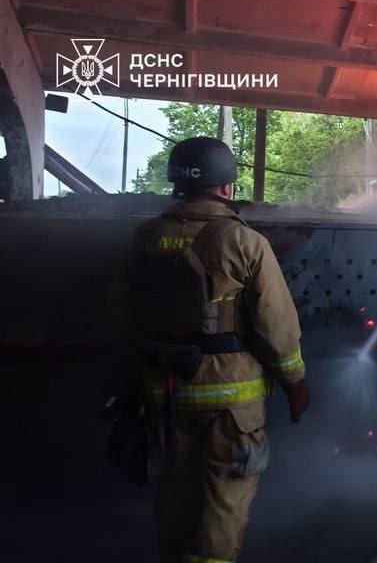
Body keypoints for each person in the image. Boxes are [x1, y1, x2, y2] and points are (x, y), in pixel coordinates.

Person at [127, 136, 309, 563]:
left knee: (174, 504)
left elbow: (121, 313)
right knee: (222, 510)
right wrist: (295, 383)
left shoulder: (143, 238)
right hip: (234, 406)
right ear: (226, 187)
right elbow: (276, 327)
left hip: (165, 395)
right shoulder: (244, 242)